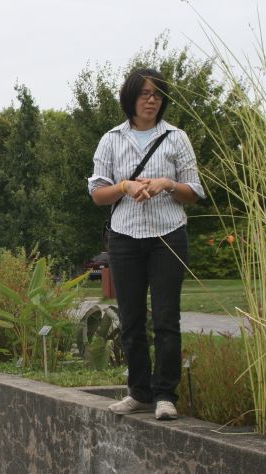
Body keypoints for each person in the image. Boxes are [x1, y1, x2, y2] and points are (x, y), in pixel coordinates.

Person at [87, 68, 205, 420]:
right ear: (130, 99)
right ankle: (139, 392)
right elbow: (97, 193)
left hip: (168, 235)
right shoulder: (110, 139)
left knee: (167, 318)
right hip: (124, 238)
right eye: (144, 94)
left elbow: (194, 192)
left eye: (157, 94)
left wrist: (167, 183)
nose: (151, 100)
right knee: (132, 319)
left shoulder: (176, 138)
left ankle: (166, 394)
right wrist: (125, 186)